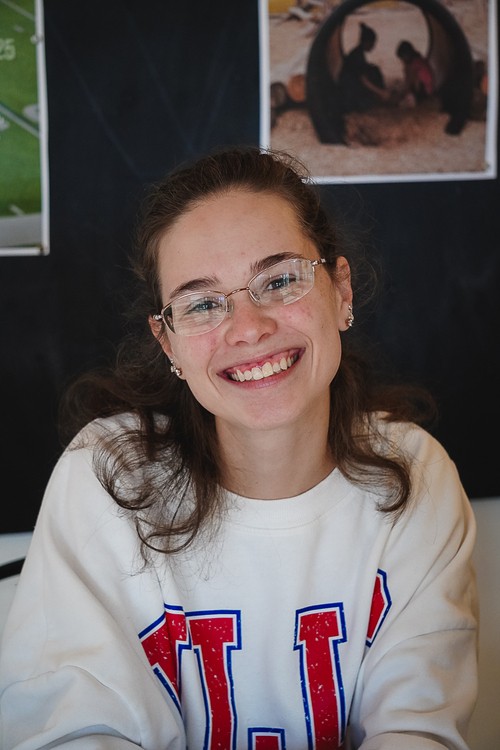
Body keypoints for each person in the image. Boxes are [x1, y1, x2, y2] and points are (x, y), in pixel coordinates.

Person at [0, 146, 478, 749]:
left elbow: (417, 734)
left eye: (279, 280)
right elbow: (73, 735)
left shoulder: (415, 475)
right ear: (168, 343)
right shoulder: (107, 477)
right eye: (202, 304)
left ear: (341, 290)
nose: (249, 328)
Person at [338, 22, 391, 113]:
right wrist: (380, 92)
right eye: (373, 43)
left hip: (351, 86)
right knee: (371, 103)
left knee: (374, 69)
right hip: (350, 92)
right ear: (367, 42)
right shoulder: (357, 56)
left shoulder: (358, 52)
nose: (374, 46)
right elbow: (364, 80)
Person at [395, 40, 435, 108]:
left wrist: (408, 92)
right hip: (426, 90)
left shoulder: (414, 64)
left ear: (407, 55)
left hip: (424, 92)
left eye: (402, 58)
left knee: (403, 101)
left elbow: (415, 82)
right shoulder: (418, 60)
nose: (402, 60)